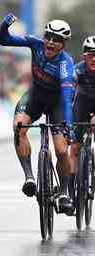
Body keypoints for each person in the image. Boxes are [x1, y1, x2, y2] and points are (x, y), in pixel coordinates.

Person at [0, 13, 75, 213]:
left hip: (57, 102)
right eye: (48, 36)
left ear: (64, 44)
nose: (50, 42)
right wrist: (4, 27)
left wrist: (68, 124)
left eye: (56, 40)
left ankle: (65, 192)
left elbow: (67, 98)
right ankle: (30, 177)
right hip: (36, 96)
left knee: (60, 149)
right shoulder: (35, 43)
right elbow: (4, 40)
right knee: (19, 126)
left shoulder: (66, 64)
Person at [69, 36, 95, 199]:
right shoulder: (77, 70)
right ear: (84, 56)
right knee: (76, 146)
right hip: (81, 107)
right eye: (91, 54)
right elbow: (68, 88)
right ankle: (71, 184)